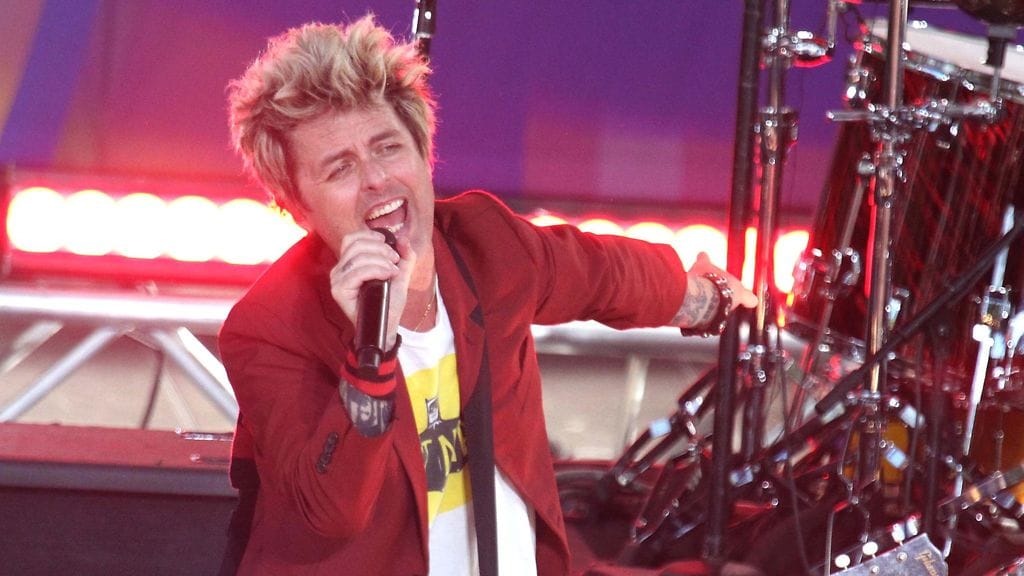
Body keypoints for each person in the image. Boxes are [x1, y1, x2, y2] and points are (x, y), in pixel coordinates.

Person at [219, 14, 757, 576]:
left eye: (387, 148)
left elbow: (602, 273)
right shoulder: (269, 328)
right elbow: (330, 510)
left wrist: (706, 297)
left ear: (424, 154)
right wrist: (370, 350)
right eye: (340, 169)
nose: (376, 179)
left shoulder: (486, 245)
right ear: (297, 205)